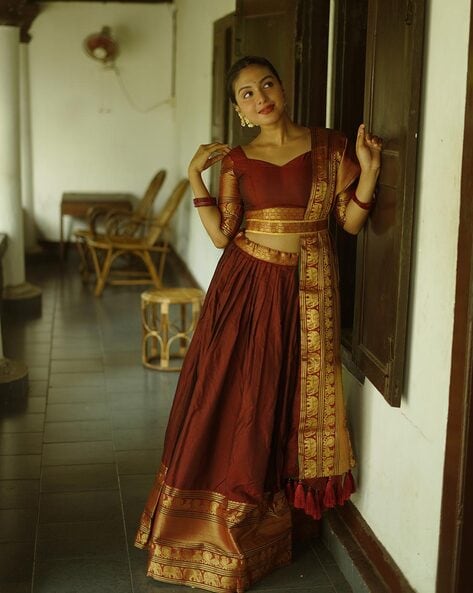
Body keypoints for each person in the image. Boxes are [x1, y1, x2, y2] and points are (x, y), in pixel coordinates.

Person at [135, 55, 382, 593]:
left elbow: (350, 223)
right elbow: (224, 236)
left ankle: (275, 522)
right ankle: (212, 526)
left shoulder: (330, 147)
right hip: (245, 290)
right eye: (246, 93)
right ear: (239, 111)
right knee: (236, 397)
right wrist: (193, 175)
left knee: (283, 399)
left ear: (283, 88)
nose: (259, 96)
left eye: (265, 84)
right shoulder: (238, 161)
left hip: (305, 295)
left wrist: (371, 170)